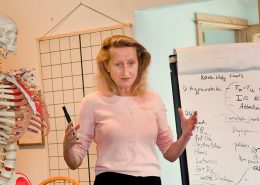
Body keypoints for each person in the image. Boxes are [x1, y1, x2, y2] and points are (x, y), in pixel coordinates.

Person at [63, 35, 197, 185]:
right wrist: (67, 147)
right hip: (111, 180)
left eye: (131, 63)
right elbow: (74, 162)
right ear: (107, 66)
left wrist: (185, 136)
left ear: (139, 64)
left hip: (151, 180)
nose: (126, 72)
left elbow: (170, 154)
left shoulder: (154, 100)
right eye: (118, 64)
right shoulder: (92, 102)